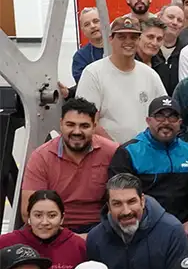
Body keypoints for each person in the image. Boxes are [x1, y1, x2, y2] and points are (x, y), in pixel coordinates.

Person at [86, 173, 188, 269]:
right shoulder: (96, 237)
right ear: (108, 207)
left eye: (131, 201)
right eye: (117, 204)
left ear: (142, 200)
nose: (126, 211)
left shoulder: (172, 231)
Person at [20, 97, 118, 233]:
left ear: (94, 126)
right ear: (61, 124)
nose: (77, 131)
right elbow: (27, 211)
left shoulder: (112, 152)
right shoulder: (41, 157)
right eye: (70, 125)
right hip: (54, 229)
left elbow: (125, 201)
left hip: (100, 228)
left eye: (84, 126)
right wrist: (66, 239)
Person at [109, 95, 188, 243]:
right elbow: (119, 198)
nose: (166, 123)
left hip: (184, 228)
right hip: (142, 227)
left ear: (180, 123)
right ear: (148, 120)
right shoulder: (129, 152)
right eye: (159, 117)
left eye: (172, 118)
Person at [76, 16, 168, 143]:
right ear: (110, 39)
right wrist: (117, 150)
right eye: (121, 37)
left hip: (144, 154)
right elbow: (87, 120)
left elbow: (163, 116)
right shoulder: (93, 73)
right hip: (106, 155)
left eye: (133, 37)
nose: (128, 41)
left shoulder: (150, 75)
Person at [0, 191, 87, 269]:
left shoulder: (78, 245)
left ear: (62, 218)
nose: (44, 222)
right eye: (38, 215)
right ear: (29, 217)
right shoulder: (6, 243)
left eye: (52, 215)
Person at [157, 4, 186, 93]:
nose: (174, 22)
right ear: (159, 17)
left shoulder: (185, 53)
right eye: (170, 17)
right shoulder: (149, 50)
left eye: (179, 20)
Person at [72, 7, 105, 83]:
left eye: (96, 21)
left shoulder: (119, 48)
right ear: (83, 30)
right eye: (87, 24)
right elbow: (84, 85)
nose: (92, 26)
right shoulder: (80, 57)